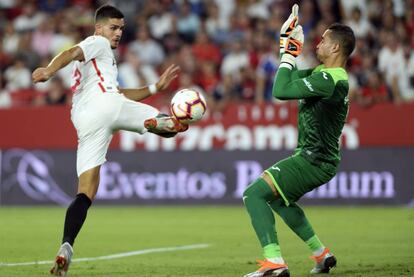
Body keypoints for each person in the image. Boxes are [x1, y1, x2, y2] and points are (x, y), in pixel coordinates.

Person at [32, 5, 188, 276]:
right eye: (113, 28)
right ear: (99, 28)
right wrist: (48, 70)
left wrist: (154, 88)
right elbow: (70, 52)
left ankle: (66, 246)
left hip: (87, 117)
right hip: (108, 106)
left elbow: (117, 92)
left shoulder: (100, 63)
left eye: (121, 29)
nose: (117, 34)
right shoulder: (97, 43)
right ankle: (157, 123)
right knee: (175, 126)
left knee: (85, 192)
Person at [243, 4, 355, 277]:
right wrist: (285, 47)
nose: (318, 43)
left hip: (313, 158)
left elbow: (280, 90)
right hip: (319, 159)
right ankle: (321, 254)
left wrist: (290, 54)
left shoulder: (330, 80)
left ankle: (274, 262)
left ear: (336, 48)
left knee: (254, 194)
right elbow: (289, 77)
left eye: (324, 40)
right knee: (279, 201)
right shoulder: (324, 76)